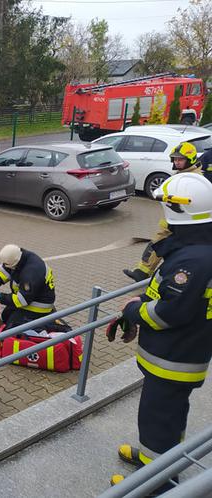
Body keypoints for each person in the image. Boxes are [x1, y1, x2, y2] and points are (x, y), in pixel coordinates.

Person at [109, 172, 212, 491]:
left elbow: (170, 312)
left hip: (174, 359)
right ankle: (153, 461)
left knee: (158, 421)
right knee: (166, 421)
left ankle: (157, 487)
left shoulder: (193, 260)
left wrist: (132, 310)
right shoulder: (198, 248)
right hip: (181, 355)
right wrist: (143, 300)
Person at [123, 142, 206, 282]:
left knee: (172, 247)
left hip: (187, 221)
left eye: (180, 159)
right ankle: (142, 271)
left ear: (190, 159)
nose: (177, 162)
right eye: (175, 159)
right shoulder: (184, 174)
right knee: (158, 243)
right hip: (174, 218)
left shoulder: (195, 178)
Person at [0, 244, 56, 328]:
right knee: (5, 316)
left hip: (38, 307)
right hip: (30, 299)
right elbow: (5, 270)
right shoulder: (20, 257)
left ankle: (43, 322)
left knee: (12, 326)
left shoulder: (30, 273)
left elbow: (22, 300)